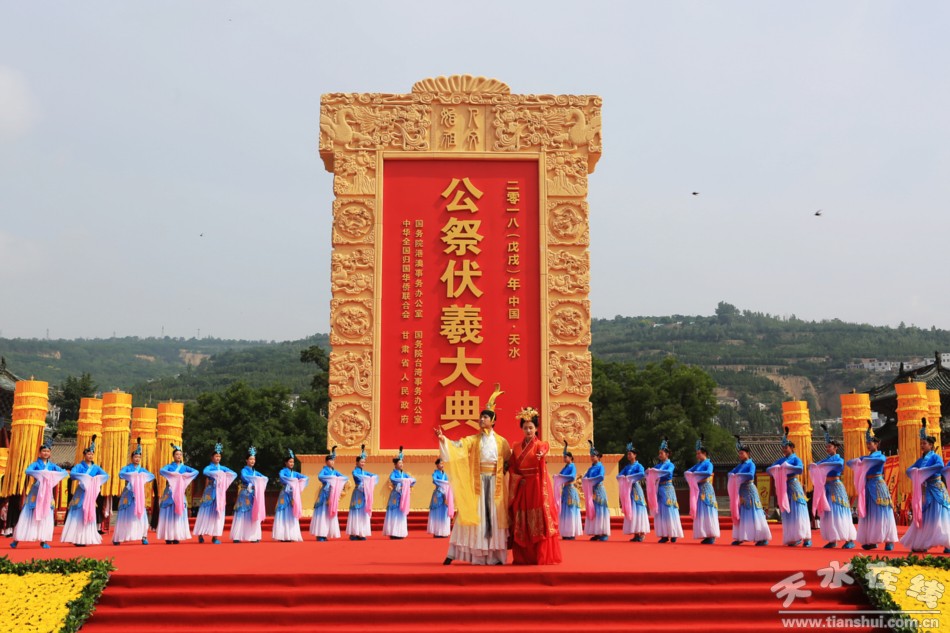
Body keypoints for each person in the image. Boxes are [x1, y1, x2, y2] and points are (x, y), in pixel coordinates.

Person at [436, 385, 512, 565]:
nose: (481, 419)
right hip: (478, 484)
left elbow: (509, 461)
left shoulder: (502, 442)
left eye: (485, 417)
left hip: (495, 486)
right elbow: (458, 446)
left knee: (492, 518)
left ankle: (494, 555)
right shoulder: (473, 440)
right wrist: (444, 440)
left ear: (493, 421)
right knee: (472, 516)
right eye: (481, 417)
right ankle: (456, 553)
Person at [507, 407, 561, 565]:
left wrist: (541, 454)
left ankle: (539, 555)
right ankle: (524, 556)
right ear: (522, 429)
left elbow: (544, 448)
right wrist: (517, 478)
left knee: (539, 517)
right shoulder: (516, 446)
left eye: (531, 427)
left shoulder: (540, 444)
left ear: (536, 428)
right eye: (525, 428)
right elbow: (512, 466)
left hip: (537, 486)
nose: (528, 430)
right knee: (522, 517)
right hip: (523, 486)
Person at [900, 420, 950, 554]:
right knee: (926, 517)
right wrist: (916, 472)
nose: (922, 446)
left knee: (941, 516)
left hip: (937, 490)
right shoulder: (920, 460)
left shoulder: (936, 457)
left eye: (924, 443)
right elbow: (909, 470)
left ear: (931, 445)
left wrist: (923, 471)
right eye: (921, 443)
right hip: (926, 491)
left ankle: (947, 543)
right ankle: (923, 543)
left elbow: (940, 466)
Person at [846, 422, 897, 551]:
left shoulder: (880, 456)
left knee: (883, 512)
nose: (868, 445)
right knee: (869, 513)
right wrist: (860, 461)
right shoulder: (865, 457)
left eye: (870, 443)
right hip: (867, 486)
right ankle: (872, 540)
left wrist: (862, 461)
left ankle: (889, 540)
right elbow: (849, 463)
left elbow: (880, 461)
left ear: (877, 444)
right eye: (867, 443)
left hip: (878, 485)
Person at [10, 442, 69, 549]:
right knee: (28, 514)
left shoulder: (52, 465)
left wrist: (52, 476)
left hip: (47, 493)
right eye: (44, 451)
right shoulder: (36, 464)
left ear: (50, 453)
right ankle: (17, 539)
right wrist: (40, 474)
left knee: (46, 514)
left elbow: (63, 472)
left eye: (48, 451)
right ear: (40, 452)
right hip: (36, 491)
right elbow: (27, 471)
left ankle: (44, 540)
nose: (46, 453)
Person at [809, 425, 856, 549]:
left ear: (835, 447)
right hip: (826, 488)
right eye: (826, 447)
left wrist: (823, 465)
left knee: (840, 512)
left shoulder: (838, 459)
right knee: (829, 512)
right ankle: (832, 539)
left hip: (836, 487)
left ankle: (849, 539)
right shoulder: (825, 460)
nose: (827, 448)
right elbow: (815, 466)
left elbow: (839, 466)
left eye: (829, 446)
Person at [767, 427, 812, 547]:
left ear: (791, 448)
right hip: (784, 487)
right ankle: (793, 537)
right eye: (783, 448)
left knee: (799, 510)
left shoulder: (796, 459)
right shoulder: (781, 460)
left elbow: (800, 469)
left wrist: (788, 467)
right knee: (788, 512)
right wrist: (776, 469)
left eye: (786, 448)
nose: (784, 450)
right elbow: (768, 470)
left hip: (794, 485)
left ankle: (806, 537)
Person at [61, 435, 109, 547]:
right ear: (84, 455)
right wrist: (83, 477)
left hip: (90, 493)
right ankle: (76, 537)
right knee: (78, 512)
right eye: (88, 454)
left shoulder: (96, 468)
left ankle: (86, 537)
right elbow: (72, 474)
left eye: (92, 454)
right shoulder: (79, 466)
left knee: (89, 513)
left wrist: (95, 479)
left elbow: (105, 475)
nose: (90, 456)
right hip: (81, 492)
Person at [728, 435, 770, 546]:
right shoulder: (740, 465)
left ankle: (762, 537)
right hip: (742, 492)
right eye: (739, 453)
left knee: (755, 513)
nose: (740, 455)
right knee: (742, 513)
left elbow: (751, 475)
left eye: (742, 453)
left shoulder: (751, 464)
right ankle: (741, 536)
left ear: (748, 454)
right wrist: (732, 475)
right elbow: (730, 472)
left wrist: (739, 475)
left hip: (750, 491)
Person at [194, 440, 237, 545]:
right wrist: (217, 474)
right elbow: (205, 472)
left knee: (218, 514)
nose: (218, 458)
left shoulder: (222, 468)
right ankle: (200, 534)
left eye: (219, 456)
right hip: (210, 492)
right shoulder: (209, 467)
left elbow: (234, 474)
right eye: (216, 456)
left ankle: (215, 536)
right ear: (212, 458)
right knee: (205, 513)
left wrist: (223, 476)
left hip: (220, 494)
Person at [113, 438, 154, 546]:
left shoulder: (142, 470)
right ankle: (119, 536)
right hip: (128, 493)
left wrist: (141, 477)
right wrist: (132, 476)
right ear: (131, 458)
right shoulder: (127, 468)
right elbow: (121, 474)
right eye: (135, 457)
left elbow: (151, 476)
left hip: (139, 495)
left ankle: (143, 536)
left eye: (139, 457)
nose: (137, 459)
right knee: (125, 513)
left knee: (141, 514)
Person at [156, 444, 199, 544]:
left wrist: (184, 476)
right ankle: (168, 536)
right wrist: (172, 475)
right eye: (177, 454)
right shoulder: (170, 466)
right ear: (173, 456)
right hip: (170, 492)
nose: (179, 456)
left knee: (178, 513)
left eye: (180, 454)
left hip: (179, 492)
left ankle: (176, 536)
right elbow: (161, 471)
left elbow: (196, 472)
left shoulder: (184, 467)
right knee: (169, 513)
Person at [647, 437, 684, 544]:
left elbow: (667, 472)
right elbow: (650, 474)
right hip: (659, 490)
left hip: (668, 489)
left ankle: (673, 533)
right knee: (661, 512)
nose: (659, 455)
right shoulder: (658, 465)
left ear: (667, 454)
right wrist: (649, 471)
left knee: (669, 511)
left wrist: (656, 471)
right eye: (659, 453)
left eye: (661, 453)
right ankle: (664, 535)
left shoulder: (670, 465)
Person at [684, 435, 719, 545]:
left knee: (708, 510)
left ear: (704, 453)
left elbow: (708, 473)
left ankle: (711, 535)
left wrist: (695, 474)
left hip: (706, 488)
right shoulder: (698, 464)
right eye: (697, 453)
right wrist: (691, 474)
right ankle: (705, 534)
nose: (697, 455)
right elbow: (688, 471)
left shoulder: (709, 463)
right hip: (698, 489)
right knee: (701, 511)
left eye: (699, 453)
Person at [310, 446, 347, 542]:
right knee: (322, 512)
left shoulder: (335, 471)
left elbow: (344, 477)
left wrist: (337, 479)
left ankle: (325, 533)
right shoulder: (324, 470)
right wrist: (331, 479)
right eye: (330, 460)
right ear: (326, 462)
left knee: (328, 513)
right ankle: (320, 534)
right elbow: (320, 476)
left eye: (333, 460)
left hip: (332, 494)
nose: (332, 462)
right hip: (325, 494)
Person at [231, 446, 268, 543]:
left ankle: (253, 536)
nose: (252, 461)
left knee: (253, 513)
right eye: (250, 459)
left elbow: (265, 478)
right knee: (242, 513)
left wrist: (259, 481)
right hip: (245, 493)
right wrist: (255, 480)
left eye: (254, 459)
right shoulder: (244, 470)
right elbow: (244, 477)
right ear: (246, 460)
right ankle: (237, 536)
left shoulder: (255, 472)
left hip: (253, 495)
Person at [273, 449, 309, 542]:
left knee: (291, 513)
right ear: (285, 463)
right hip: (285, 494)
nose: (292, 463)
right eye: (290, 461)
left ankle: (291, 535)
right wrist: (292, 481)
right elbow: (282, 477)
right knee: (283, 512)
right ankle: (283, 535)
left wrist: (298, 483)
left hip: (293, 495)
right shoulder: (283, 471)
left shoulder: (295, 473)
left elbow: (306, 478)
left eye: (293, 462)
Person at [617, 442, 649, 542]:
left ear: (635, 455)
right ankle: (636, 533)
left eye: (630, 454)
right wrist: (623, 477)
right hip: (628, 491)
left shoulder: (638, 465)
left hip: (636, 489)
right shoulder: (627, 467)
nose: (628, 455)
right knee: (631, 509)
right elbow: (618, 475)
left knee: (638, 509)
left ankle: (642, 532)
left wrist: (630, 478)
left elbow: (642, 474)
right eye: (628, 454)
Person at [383, 447, 416, 540]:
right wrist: (404, 481)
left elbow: (413, 480)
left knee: (401, 513)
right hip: (395, 495)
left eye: (402, 463)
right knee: (394, 513)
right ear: (395, 464)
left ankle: (400, 532)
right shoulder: (393, 473)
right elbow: (393, 479)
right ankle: (393, 532)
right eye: (399, 463)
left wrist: (406, 481)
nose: (401, 464)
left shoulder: (404, 474)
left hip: (403, 496)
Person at [346, 445, 377, 541]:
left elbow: (375, 476)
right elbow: (358, 477)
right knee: (356, 512)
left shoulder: (365, 472)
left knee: (363, 512)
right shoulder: (355, 471)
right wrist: (367, 479)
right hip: (357, 493)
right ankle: (354, 533)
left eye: (364, 462)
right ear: (357, 462)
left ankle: (361, 533)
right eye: (361, 462)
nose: (363, 463)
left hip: (364, 494)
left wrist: (371, 478)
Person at [553, 443, 583, 540]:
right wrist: (557, 476)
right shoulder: (566, 467)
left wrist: (561, 477)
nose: (564, 459)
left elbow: (572, 476)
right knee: (565, 511)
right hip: (565, 490)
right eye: (564, 457)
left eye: (566, 457)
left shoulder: (572, 466)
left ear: (571, 458)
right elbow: (560, 475)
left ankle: (571, 533)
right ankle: (566, 532)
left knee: (570, 511)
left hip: (570, 490)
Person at [582, 439, 610, 541]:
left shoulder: (600, 467)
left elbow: (601, 477)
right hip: (592, 491)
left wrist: (591, 480)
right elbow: (584, 477)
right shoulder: (590, 468)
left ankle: (603, 532)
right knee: (594, 510)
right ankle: (596, 532)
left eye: (593, 456)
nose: (592, 458)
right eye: (591, 456)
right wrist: (586, 480)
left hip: (599, 490)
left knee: (601, 510)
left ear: (598, 457)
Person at [427, 458, 453, 538]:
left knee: (444, 512)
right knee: (437, 512)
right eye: (440, 464)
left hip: (446, 494)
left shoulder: (445, 474)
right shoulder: (435, 473)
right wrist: (443, 484)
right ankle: (437, 532)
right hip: (438, 494)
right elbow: (435, 480)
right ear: (437, 465)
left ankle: (444, 532)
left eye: (442, 463)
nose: (442, 465)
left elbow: (448, 482)